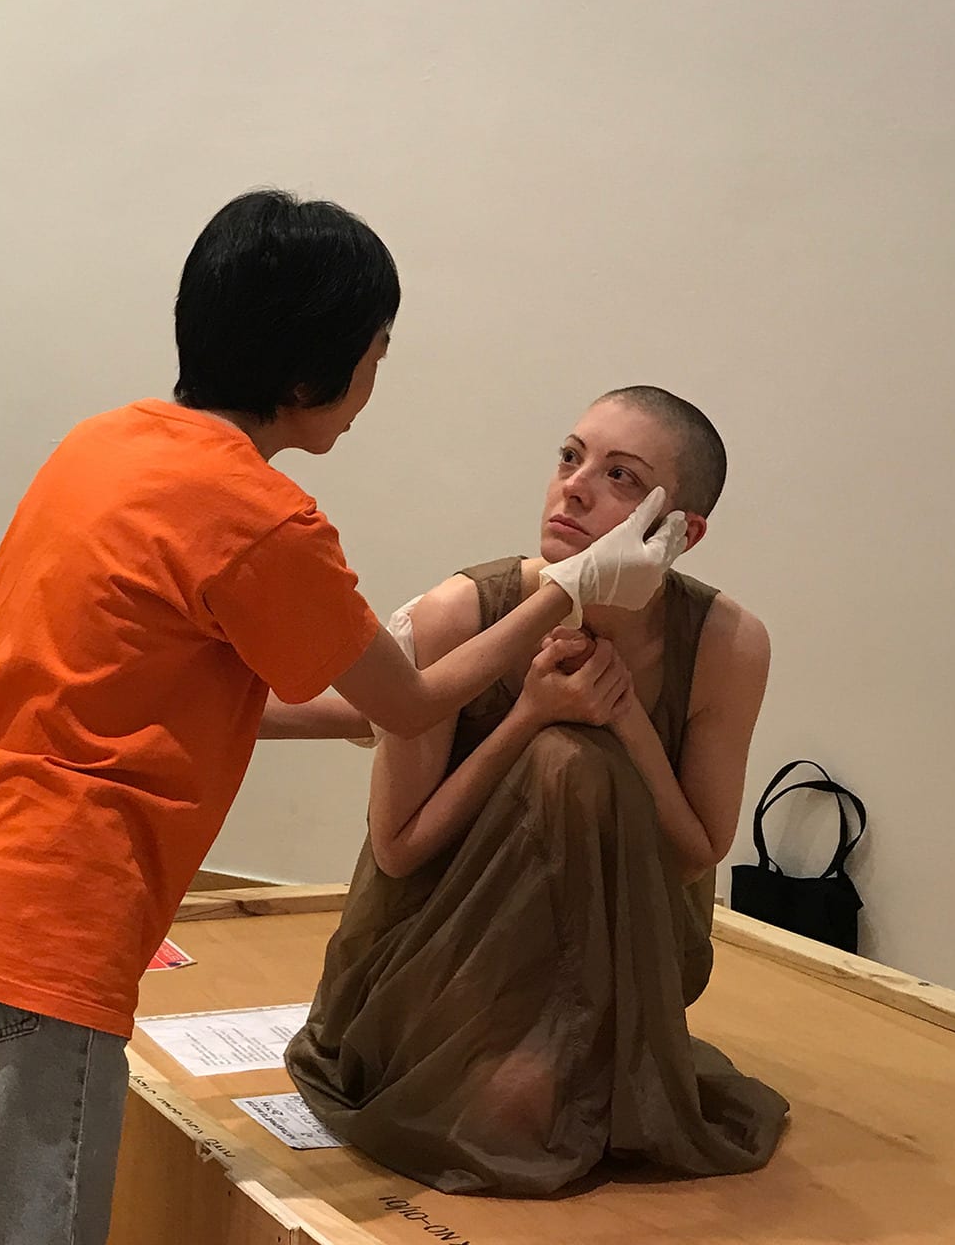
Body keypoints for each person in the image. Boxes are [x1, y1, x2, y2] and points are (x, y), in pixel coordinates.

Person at [0, 191, 687, 1245]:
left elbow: (121, 687)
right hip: (33, 934)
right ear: (310, 372)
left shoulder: (102, 445)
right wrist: (573, 586)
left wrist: (350, 713)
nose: (375, 386)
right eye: (377, 355)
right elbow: (418, 698)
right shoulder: (263, 517)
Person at [283, 386, 790, 1196]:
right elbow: (399, 848)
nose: (575, 487)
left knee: (579, 763)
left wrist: (625, 721)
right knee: (559, 758)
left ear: (680, 533)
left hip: (630, 962)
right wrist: (528, 715)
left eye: (621, 477)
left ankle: (563, 1054)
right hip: (432, 962)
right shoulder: (462, 613)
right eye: (570, 456)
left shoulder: (729, 643)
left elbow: (696, 858)